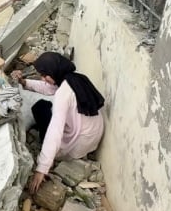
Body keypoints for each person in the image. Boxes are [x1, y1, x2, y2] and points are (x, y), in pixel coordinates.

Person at [12, 52, 105, 194]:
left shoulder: (63, 94)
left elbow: (55, 130)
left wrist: (42, 168)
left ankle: (49, 152)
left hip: (77, 145)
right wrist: (25, 83)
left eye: (44, 75)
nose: (43, 79)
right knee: (45, 106)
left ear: (53, 71)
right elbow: (49, 88)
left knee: (41, 108)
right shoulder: (75, 78)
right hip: (92, 139)